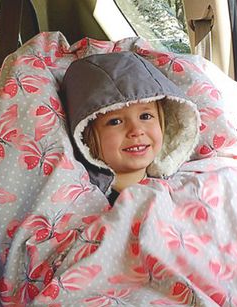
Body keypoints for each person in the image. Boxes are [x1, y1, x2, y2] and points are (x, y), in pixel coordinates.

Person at [62, 51, 201, 204]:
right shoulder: (89, 201)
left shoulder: (182, 182)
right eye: (115, 121)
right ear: (85, 136)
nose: (136, 131)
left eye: (145, 117)